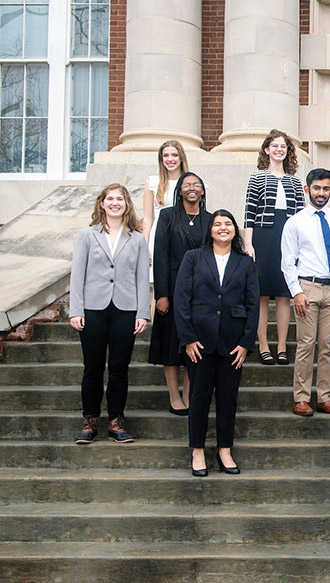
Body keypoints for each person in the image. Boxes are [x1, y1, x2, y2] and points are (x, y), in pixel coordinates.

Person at [175, 209, 259, 477]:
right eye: (217, 224)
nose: (223, 228)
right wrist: (188, 338)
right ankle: (197, 450)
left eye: (228, 224)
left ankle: (225, 449)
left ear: (235, 230)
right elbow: (181, 300)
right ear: (210, 230)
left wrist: (246, 343)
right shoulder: (193, 258)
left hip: (233, 345)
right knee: (198, 398)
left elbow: (253, 305)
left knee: (228, 399)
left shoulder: (245, 262)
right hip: (199, 342)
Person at [69, 184, 150, 444]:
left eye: (120, 199)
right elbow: (77, 274)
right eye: (110, 199)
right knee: (92, 367)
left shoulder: (137, 238)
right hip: (93, 309)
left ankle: (116, 422)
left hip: (125, 310)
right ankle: (89, 421)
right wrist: (75, 310)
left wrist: (143, 312)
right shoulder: (86, 235)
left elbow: (141, 278)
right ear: (102, 203)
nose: (115, 203)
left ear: (127, 204)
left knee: (118, 368)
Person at [281, 168, 330, 417]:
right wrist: (296, 291)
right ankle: (301, 398)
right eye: (316, 188)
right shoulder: (295, 222)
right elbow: (287, 261)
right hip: (307, 288)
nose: (321, 193)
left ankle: (324, 397)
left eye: (325, 188)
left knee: (328, 345)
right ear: (307, 189)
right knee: (306, 344)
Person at [148, 172, 210, 415]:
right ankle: (174, 394)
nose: (192, 188)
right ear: (180, 190)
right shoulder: (167, 216)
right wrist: (161, 294)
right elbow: (160, 254)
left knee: (194, 347)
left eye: (197, 184)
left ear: (202, 191)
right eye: (187, 185)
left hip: (201, 294)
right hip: (172, 292)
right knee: (170, 345)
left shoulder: (210, 218)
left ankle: (188, 393)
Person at [243, 129, 305, 366]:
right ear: (267, 149)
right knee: (261, 294)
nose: (279, 149)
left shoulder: (295, 181)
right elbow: (249, 212)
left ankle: (281, 346)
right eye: (275, 145)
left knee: (283, 294)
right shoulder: (256, 178)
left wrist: (300, 247)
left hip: (287, 237)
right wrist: (248, 243)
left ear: (288, 151)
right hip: (263, 237)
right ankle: (263, 345)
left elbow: (301, 217)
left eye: (284, 146)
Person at [142, 140, 189, 276]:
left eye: (174, 155)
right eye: (165, 155)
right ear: (161, 159)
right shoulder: (152, 182)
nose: (170, 159)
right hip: (159, 235)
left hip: (184, 235)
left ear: (181, 157)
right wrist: (145, 245)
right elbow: (147, 217)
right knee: (158, 283)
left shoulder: (191, 182)